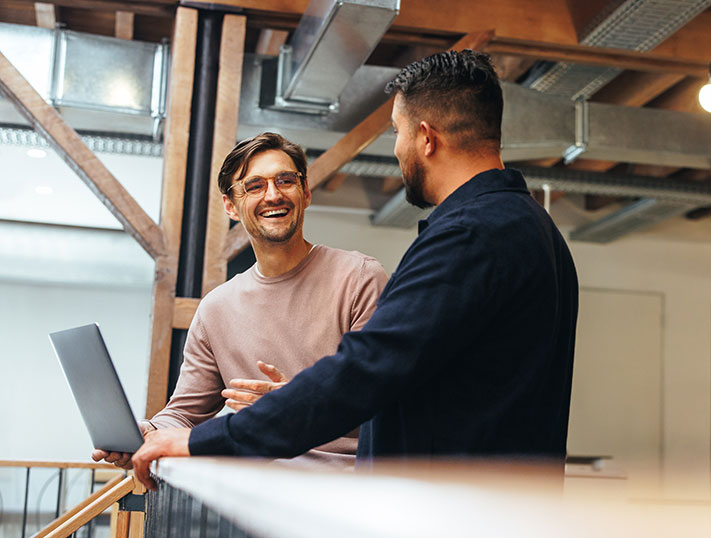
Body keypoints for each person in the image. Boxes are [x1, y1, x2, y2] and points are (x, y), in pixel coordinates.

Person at [132, 50, 578, 489]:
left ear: (426, 137)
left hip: (456, 512)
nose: (398, 148)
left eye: (398, 132)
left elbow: (364, 373)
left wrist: (212, 438)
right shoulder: (534, 229)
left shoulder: (468, 236)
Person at [93, 132, 388, 469]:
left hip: (344, 492)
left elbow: (383, 396)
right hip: (249, 494)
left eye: (285, 180)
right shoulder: (216, 308)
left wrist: (297, 403)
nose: (274, 195)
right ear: (230, 205)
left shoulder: (361, 277)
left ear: (305, 192)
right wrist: (150, 432)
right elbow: (185, 414)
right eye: (254, 186)